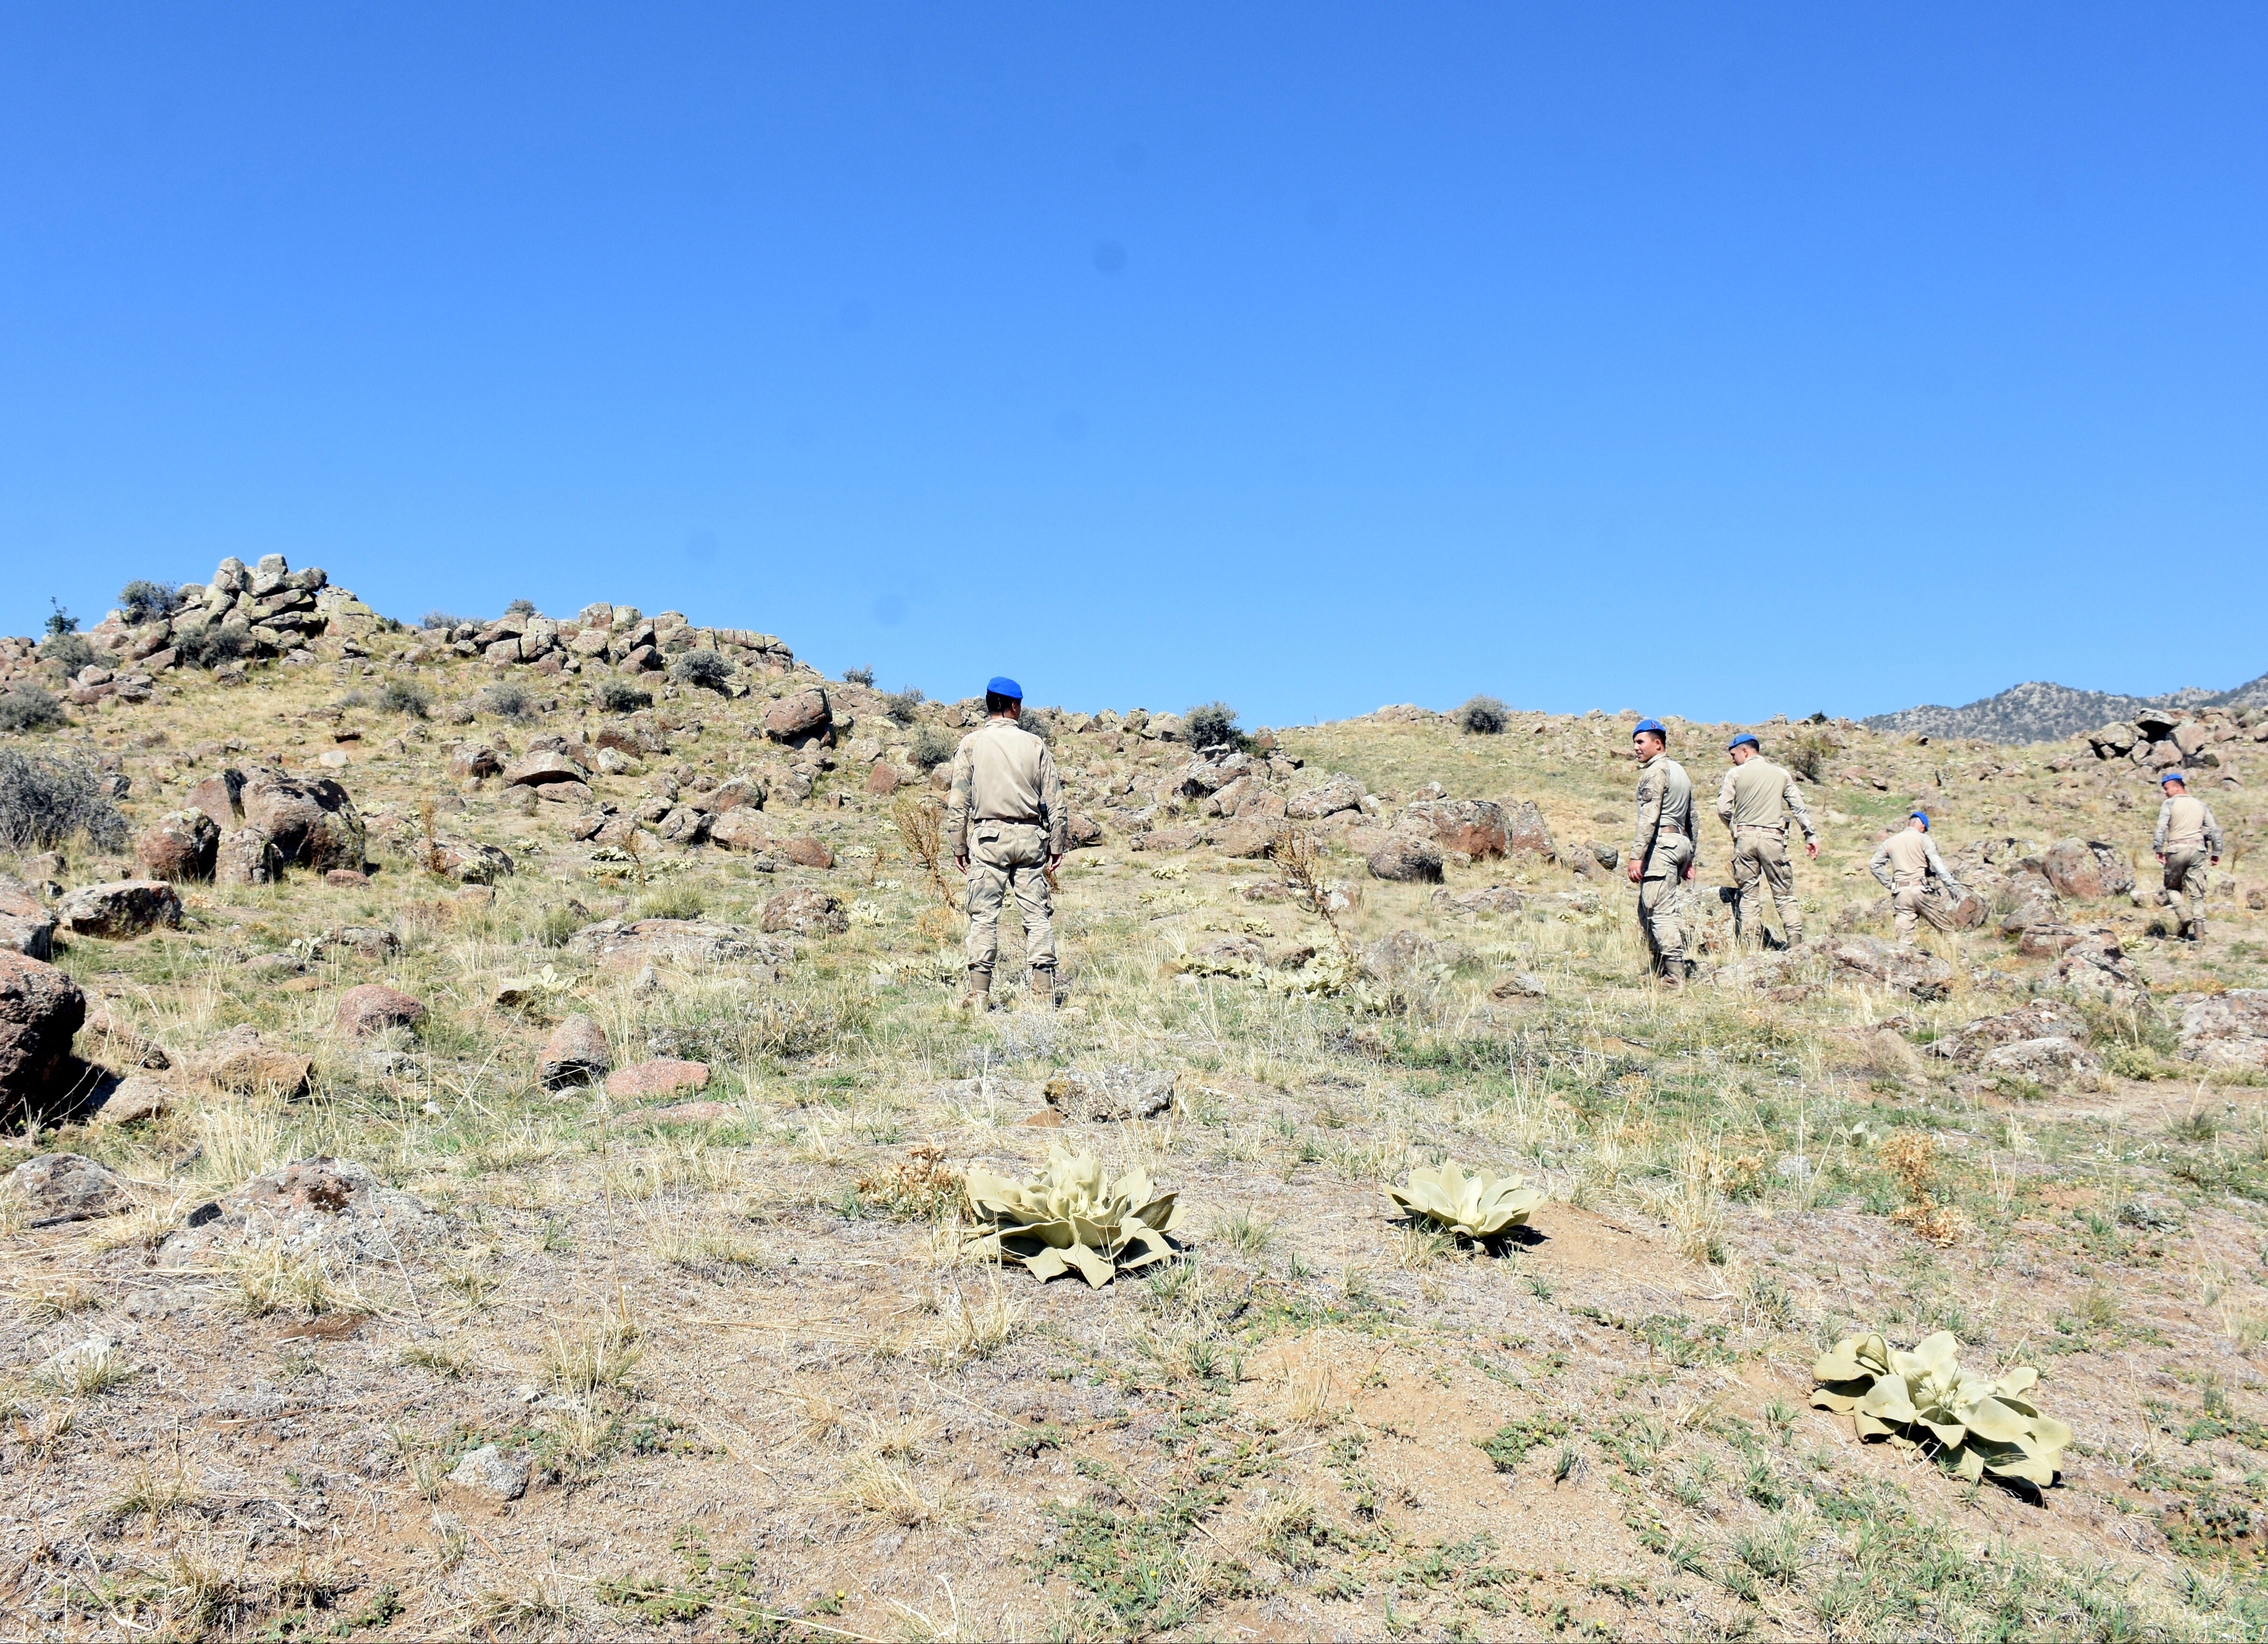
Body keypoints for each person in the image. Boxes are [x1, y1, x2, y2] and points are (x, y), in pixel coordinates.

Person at [943, 676, 1067, 1010]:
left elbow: (958, 802)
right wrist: (1057, 844)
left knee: (984, 917)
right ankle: (1044, 994)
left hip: (988, 839)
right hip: (1030, 840)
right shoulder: (1036, 745)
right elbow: (1056, 802)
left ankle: (979, 995)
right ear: (1014, 705)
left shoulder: (971, 743)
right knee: (1037, 916)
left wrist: (959, 845)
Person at [1715, 732, 1819, 950]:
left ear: (1745, 751)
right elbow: (1798, 808)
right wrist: (1810, 836)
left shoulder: (1735, 774)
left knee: (1749, 896)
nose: (1733, 759)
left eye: (1734, 754)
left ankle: (1752, 949)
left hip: (1745, 839)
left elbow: (1723, 809)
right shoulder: (1781, 774)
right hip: (1773, 838)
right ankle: (1795, 945)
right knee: (1783, 894)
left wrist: (1736, 828)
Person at [1627, 718, 1700, 985]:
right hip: (1680, 843)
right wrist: (1690, 856)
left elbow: (1649, 817)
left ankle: (1673, 978)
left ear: (1658, 744)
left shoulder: (1656, 772)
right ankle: (1659, 967)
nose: (1636, 747)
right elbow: (1693, 818)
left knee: (1659, 911)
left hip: (1663, 845)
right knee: (1646, 908)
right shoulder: (1681, 771)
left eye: (1640, 742)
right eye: (1635, 742)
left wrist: (1637, 856)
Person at [1869, 812, 1969, 944]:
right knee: (1948, 930)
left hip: (1901, 894)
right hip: (1921, 891)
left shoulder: (1889, 842)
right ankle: (1961, 961)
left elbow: (1874, 865)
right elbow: (1939, 867)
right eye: (1925, 828)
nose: (1925, 831)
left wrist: (1891, 884)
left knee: (1903, 941)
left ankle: (1904, 962)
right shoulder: (1923, 839)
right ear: (1921, 824)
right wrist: (1953, 888)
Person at [2153, 770, 2224, 942]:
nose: (2165, 792)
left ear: (2177, 788)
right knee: (2197, 892)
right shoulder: (2200, 804)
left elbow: (2162, 828)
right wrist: (2216, 852)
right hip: (2198, 850)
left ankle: (2183, 915)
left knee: (2172, 888)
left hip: (2177, 849)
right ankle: (2200, 933)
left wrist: (2158, 849)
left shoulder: (2169, 804)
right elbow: (2214, 830)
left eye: (2167, 788)